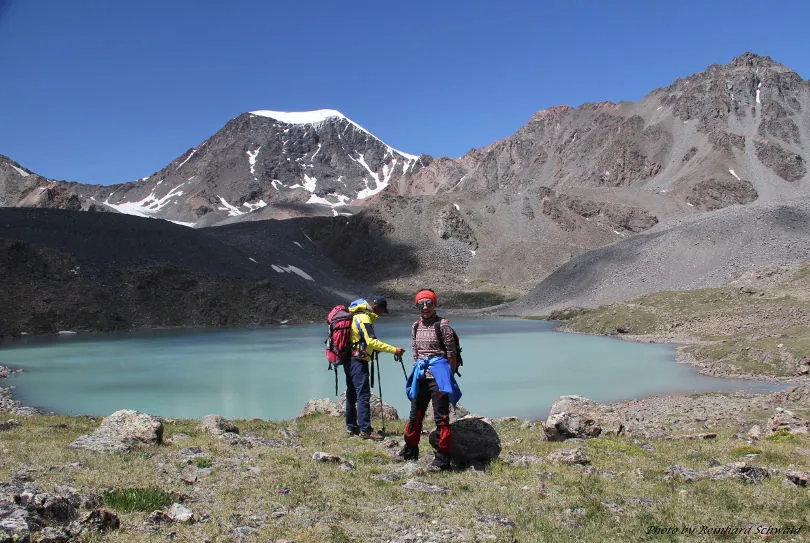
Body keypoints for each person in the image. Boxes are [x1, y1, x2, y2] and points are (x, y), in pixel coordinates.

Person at [394, 289, 461, 471]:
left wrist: (449, 376)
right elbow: (415, 352)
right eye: (421, 304)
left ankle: (442, 459)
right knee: (415, 413)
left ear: (435, 305)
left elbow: (451, 353)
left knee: (441, 417)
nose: (425, 307)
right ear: (417, 306)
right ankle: (410, 449)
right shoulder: (415, 326)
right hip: (421, 375)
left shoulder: (443, 326)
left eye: (429, 303)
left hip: (438, 376)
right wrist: (417, 370)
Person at [344, 296, 406, 441]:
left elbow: (360, 340)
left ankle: (352, 427)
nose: (381, 314)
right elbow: (371, 341)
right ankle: (366, 430)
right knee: (363, 395)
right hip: (358, 361)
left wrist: (371, 350)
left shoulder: (355, 315)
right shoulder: (364, 318)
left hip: (349, 359)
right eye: (382, 310)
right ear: (376, 306)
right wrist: (394, 350)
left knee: (351, 394)